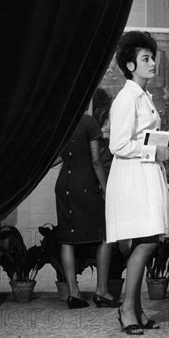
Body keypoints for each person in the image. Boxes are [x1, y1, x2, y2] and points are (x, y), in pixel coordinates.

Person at [105, 30, 169, 335]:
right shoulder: (125, 98)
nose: (152, 63)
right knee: (146, 241)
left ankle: (135, 309)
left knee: (147, 240)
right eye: (145, 58)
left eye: (152, 57)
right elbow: (117, 145)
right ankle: (126, 310)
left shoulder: (144, 96)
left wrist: (164, 150)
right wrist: (152, 150)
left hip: (146, 174)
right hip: (132, 177)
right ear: (131, 65)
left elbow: (142, 138)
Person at [53, 114, 118, 309]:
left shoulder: (63, 121)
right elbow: (96, 160)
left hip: (64, 185)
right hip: (86, 184)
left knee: (67, 238)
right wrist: (106, 188)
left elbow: (56, 158)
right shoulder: (89, 122)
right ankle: (102, 291)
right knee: (106, 235)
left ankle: (74, 293)